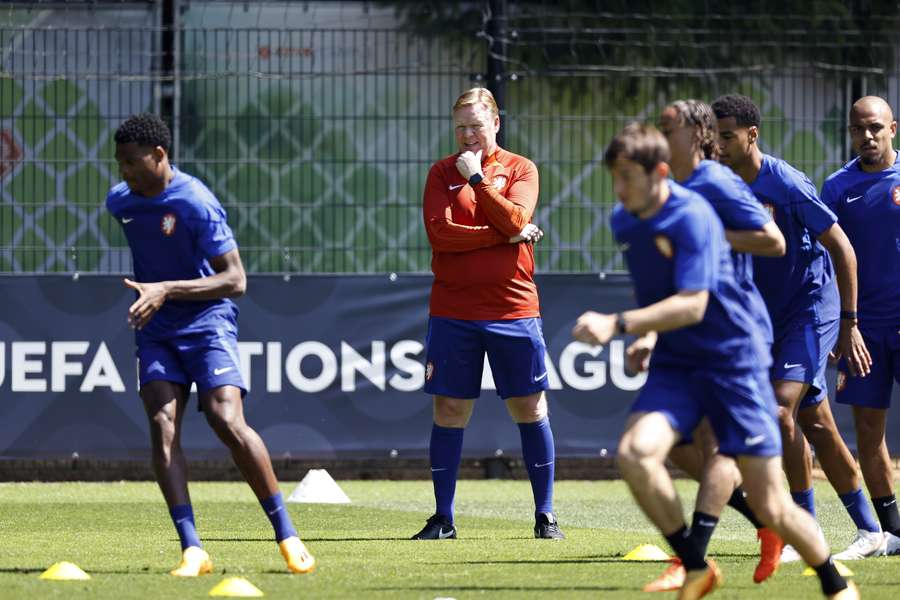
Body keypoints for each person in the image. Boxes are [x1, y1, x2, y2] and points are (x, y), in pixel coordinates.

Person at [574, 122, 858, 599]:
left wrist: (621, 324)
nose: (619, 190)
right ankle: (695, 562)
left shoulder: (694, 217)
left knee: (773, 505)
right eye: (613, 178)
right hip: (680, 367)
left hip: (733, 365)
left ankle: (834, 582)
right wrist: (646, 335)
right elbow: (658, 288)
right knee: (635, 454)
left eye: (628, 177)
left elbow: (694, 304)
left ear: (660, 173)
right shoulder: (625, 220)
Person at [107, 113, 315, 576]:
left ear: (159, 156)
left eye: (130, 161)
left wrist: (164, 289)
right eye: (119, 162)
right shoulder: (120, 201)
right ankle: (193, 550)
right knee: (163, 426)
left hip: (207, 322)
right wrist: (154, 294)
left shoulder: (195, 201)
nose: (123, 171)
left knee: (225, 419)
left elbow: (235, 279)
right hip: (157, 328)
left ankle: (287, 534)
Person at [712, 94, 879, 561]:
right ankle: (872, 530)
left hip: (810, 308)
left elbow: (841, 246)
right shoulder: (721, 185)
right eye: (716, 137)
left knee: (781, 412)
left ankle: (797, 529)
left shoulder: (783, 181)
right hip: (766, 317)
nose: (720, 146)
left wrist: (849, 322)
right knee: (817, 424)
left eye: (728, 137)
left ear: (751, 135)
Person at [642, 99, 786, 592]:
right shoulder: (675, 187)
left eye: (670, 127)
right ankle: (769, 522)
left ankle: (692, 559)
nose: (663, 135)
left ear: (696, 134)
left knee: (719, 447)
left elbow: (774, 241)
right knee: (680, 447)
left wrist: (708, 236)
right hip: (696, 331)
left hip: (736, 331)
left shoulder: (717, 181)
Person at [414, 87, 563, 540]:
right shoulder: (441, 172)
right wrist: (504, 236)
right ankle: (443, 518)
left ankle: (545, 516)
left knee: (529, 406)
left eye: (475, 125)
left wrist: (478, 181)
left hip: (513, 308)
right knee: (451, 407)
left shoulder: (521, 168)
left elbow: (518, 218)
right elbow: (442, 235)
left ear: (495, 123)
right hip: (454, 309)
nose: (467, 134)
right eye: (460, 126)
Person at [820, 95, 900, 555]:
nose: (866, 137)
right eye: (858, 129)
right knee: (869, 433)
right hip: (861, 330)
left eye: (875, 128)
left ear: (893, 128)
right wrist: (838, 324)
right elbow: (827, 260)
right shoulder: (837, 188)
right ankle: (890, 532)